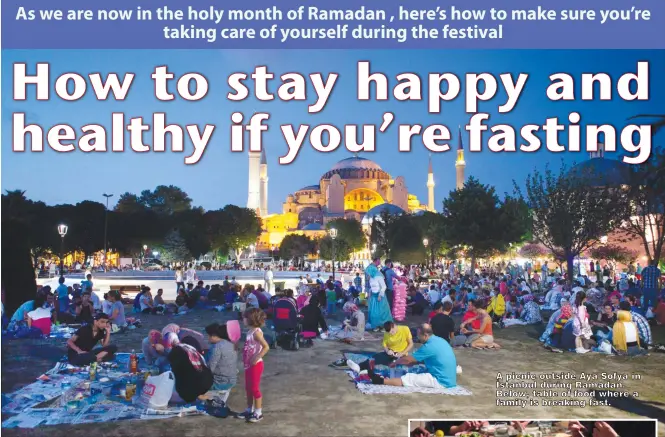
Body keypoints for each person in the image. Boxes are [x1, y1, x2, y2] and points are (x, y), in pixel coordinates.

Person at [367, 323, 457, 389]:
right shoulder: (439, 340)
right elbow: (426, 359)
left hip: (441, 381)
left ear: (425, 335)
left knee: (409, 378)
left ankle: (381, 381)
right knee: (417, 370)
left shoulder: (428, 346)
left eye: (419, 336)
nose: (418, 338)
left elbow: (408, 360)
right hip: (449, 377)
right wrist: (413, 361)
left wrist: (395, 363)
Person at [237, 308, 270, 423]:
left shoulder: (256, 332)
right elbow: (250, 346)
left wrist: (256, 357)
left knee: (254, 389)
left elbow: (266, 347)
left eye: (244, 317)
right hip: (248, 365)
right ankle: (249, 409)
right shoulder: (250, 332)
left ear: (251, 319)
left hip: (255, 365)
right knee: (248, 388)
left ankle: (258, 413)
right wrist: (242, 349)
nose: (243, 319)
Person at [337, 321, 413, 371]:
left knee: (400, 364)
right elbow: (384, 344)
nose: (391, 334)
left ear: (394, 326)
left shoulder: (405, 329)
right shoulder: (387, 333)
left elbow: (411, 344)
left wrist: (402, 353)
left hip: (401, 354)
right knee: (375, 357)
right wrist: (387, 351)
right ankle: (359, 367)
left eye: (392, 331)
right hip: (391, 352)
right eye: (390, 333)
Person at [164, 332, 214, 403]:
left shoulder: (175, 351)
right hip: (208, 381)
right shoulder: (189, 347)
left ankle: (194, 395)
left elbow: (176, 373)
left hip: (197, 385)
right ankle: (199, 393)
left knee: (178, 382)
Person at [203, 323, 238, 397]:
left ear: (214, 336)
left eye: (209, 336)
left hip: (221, 383)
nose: (208, 338)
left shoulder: (216, 347)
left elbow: (209, 369)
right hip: (232, 380)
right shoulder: (230, 344)